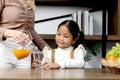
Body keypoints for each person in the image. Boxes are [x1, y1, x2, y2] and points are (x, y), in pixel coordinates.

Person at [0, 0, 49, 68]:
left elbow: (31, 30)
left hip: (24, 51)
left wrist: (48, 51)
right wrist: (9, 32)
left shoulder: (30, 1)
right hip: (4, 48)